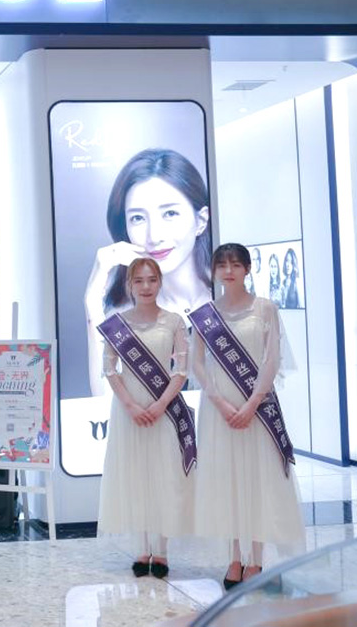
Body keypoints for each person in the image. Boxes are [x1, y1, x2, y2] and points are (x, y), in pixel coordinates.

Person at [190, 243, 304, 589]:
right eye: (222, 265)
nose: (229, 271)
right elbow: (197, 363)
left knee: (258, 479)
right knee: (226, 481)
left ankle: (256, 560)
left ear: (247, 269)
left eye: (236, 264)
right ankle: (234, 558)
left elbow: (272, 360)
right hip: (218, 411)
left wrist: (253, 402)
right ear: (214, 271)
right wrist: (221, 402)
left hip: (257, 407)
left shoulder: (265, 309)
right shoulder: (205, 314)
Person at [85, 148, 211, 396]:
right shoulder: (122, 315)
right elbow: (105, 402)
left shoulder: (232, 299)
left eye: (170, 213)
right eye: (138, 218)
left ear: (201, 221)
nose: (154, 236)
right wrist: (91, 304)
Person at [97, 258, 194, 579]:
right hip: (129, 412)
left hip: (164, 410)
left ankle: (161, 551)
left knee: (164, 475)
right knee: (135, 475)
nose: (146, 286)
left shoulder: (174, 321)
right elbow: (110, 369)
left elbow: (181, 370)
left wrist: (161, 403)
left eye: (152, 280)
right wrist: (130, 405)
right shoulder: (117, 324)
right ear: (129, 285)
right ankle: (141, 548)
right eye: (138, 281)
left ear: (160, 282)